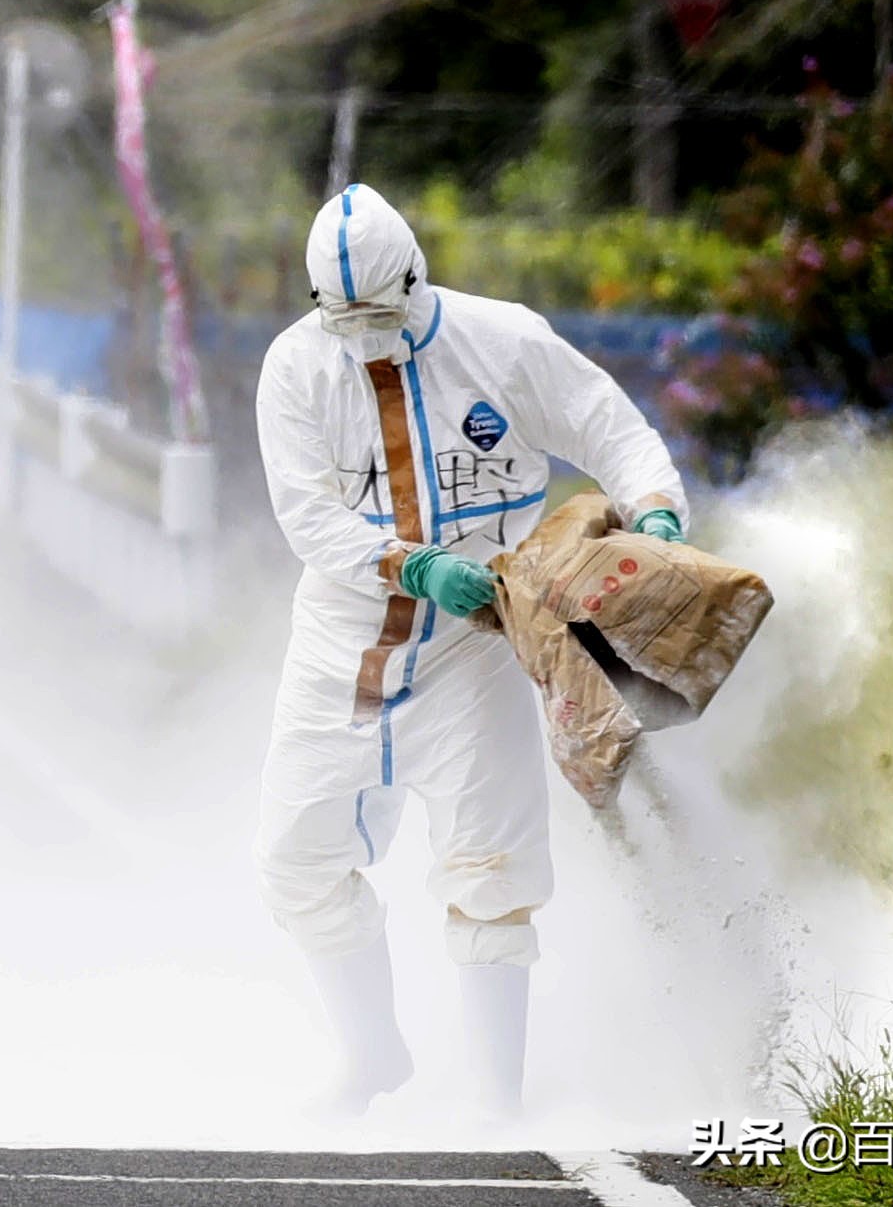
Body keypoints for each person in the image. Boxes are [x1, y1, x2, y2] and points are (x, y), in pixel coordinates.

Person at [253, 182, 688, 1118]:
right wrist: (410, 567)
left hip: (475, 646)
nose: (367, 330)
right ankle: (370, 1053)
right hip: (342, 648)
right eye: (347, 317)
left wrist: (653, 509)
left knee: (491, 867)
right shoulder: (295, 370)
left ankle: (498, 1104)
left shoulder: (503, 342)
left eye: (380, 310)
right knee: (294, 857)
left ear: (415, 277)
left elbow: (610, 426)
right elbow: (306, 514)